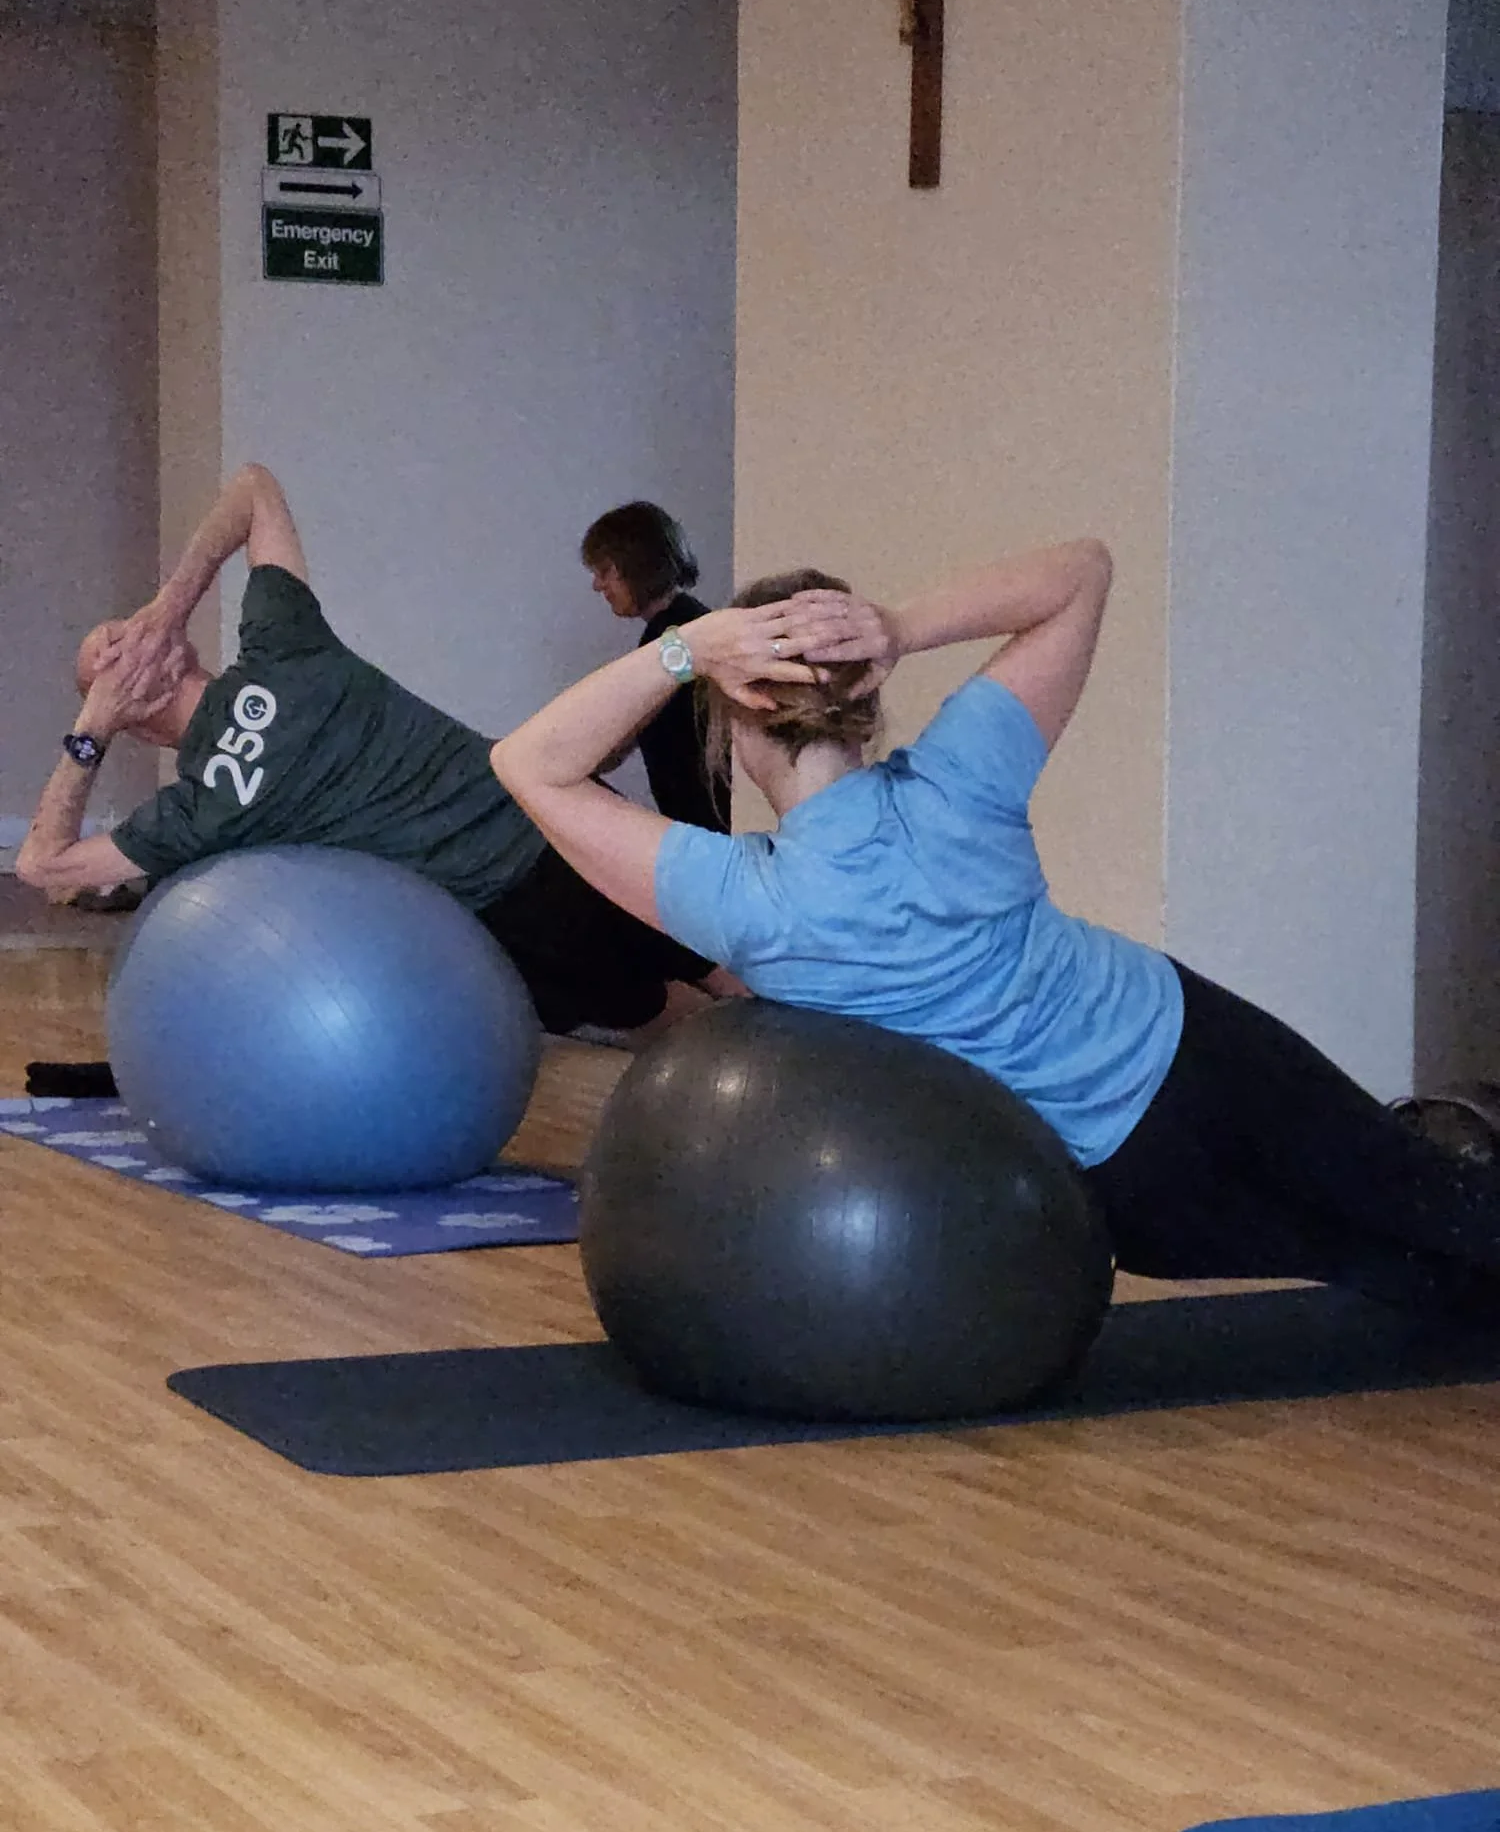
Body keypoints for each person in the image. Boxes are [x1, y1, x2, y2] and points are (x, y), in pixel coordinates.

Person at [490, 540, 1500, 1319]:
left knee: (1388, 1256)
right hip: (1191, 1043)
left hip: (1118, 1180)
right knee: (1425, 1200)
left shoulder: (745, 902)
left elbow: (529, 764)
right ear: (866, 697)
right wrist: (899, 622)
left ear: (735, 714)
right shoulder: (963, 777)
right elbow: (1080, 571)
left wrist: (685, 648)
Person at [16, 465, 732, 1045]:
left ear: (180, 642)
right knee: (678, 1022)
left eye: (120, 631)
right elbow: (41, 866)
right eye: (107, 663)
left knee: (732, 964)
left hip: (556, 810)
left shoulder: (283, 643)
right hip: (515, 907)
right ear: (131, 724)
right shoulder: (201, 808)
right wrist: (94, 724)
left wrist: (169, 604)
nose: (125, 648)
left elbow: (254, 488)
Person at [580, 501, 729, 831]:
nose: (597, 585)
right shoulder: (686, 624)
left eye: (605, 571)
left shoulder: (672, 638)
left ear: (637, 565)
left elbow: (619, 736)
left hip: (708, 828)